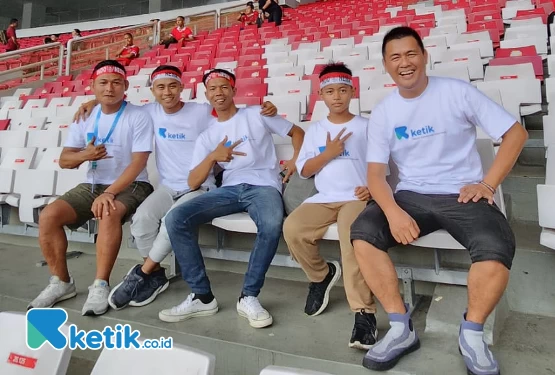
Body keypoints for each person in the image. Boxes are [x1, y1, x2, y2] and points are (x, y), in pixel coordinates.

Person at [349, 27, 528, 374]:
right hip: (411, 194)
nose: (405, 63)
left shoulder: (456, 92)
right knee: (364, 232)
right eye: (395, 57)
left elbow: (515, 133)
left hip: (462, 194)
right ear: (386, 65)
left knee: (495, 245)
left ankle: (472, 333)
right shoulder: (385, 112)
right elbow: (375, 175)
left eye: (411, 53)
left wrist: (488, 185)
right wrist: (394, 212)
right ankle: (401, 327)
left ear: (424, 55)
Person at [74, 65, 279, 311]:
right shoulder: (148, 112)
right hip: (167, 186)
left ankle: (142, 274)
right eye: (160, 87)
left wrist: (268, 108)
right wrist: (91, 102)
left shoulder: (202, 111)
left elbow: (230, 108)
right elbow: (115, 102)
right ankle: (156, 276)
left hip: (199, 186)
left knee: (171, 222)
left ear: (182, 88)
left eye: (173, 86)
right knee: (141, 221)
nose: (167, 92)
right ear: (153, 91)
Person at [160, 69, 305, 328]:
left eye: (224, 87)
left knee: (271, 224)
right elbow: (193, 182)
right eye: (213, 89)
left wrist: (294, 159)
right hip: (229, 190)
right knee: (176, 218)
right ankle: (202, 296)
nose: (219, 92)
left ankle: (249, 296)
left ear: (234, 91)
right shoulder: (208, 135)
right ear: (207, 95)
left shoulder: (258, 114)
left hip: (264, 187)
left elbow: (298, 133)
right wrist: (212, 157)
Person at [27, 60, 155, 316]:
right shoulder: (84, 116)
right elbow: (65, 161)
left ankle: (100, 284)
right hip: (93, 184)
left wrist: (109, 193)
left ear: (126, 86)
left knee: (108, 211)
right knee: (48, 216)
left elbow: (139, 162)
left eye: (116, 82)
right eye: (103, 83)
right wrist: (85, 155)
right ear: (93, 86)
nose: (110, 88)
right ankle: (61, 282)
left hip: (133, 184)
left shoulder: (139, 116)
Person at [282, 62, 377, 350]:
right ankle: (321, 276)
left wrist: (372, 187)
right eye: (330, 92)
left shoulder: (365, 126)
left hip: (356, 198)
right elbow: (305, 170)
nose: (337, 97)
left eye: (343, 91)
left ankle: (364, 313)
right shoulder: (316, 130)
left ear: (352, 92)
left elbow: (383, 165)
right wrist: (329, 153)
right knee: (293, 229)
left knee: (352, 241)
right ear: (321, 96)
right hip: (324, 197)